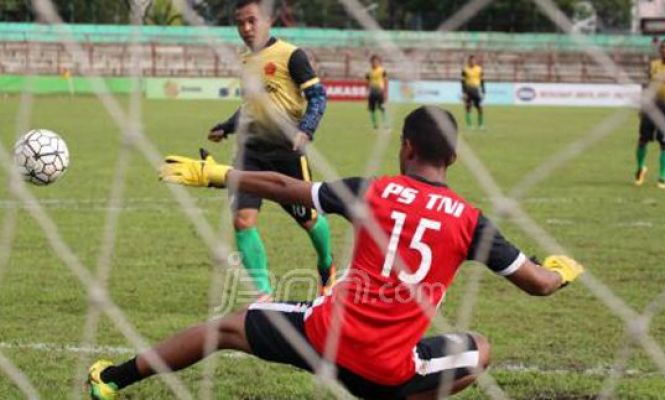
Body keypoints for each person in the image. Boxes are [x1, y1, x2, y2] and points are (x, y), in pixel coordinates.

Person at [87, 106, 584, 400]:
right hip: (390, 372)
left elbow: (286, 185)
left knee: (224, 328)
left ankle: (112, 380)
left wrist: (216, 174)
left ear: (406, 147)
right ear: (454, 157)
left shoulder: (374, 190)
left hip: (321, 340)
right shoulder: (471, 221)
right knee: (480, 346)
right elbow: (537, 284)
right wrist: (561, 271)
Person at [208, 0, 335, 299]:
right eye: (240, 23)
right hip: (250, 153)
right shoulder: (245, 61)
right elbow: (252, 109)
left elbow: (318, 96)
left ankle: (326, 265)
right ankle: (263, 297)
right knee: (243, 221)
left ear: (267, 21)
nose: (246, 28)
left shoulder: (291, 55)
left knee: (309, 219)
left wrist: (306, 129)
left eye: (252, 21)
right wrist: (227, 126)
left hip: (286, 153)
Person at [635, 41, 665, 189]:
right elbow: (644, 85)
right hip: (651, 105)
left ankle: (662, 175)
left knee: (664, 143)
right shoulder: (653, 65)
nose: (664, 51)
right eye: (663, 48)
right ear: (660, 50)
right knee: (642, 140)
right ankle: (640, 168)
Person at [461, 55, 485, 130]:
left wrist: (483, 90)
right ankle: (469, 125)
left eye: (474, 60)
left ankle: (480, 125)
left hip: (476, 89)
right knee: (468, 107)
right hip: (468, 90)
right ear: (469, 61)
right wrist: (464, 92)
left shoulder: (479, 69)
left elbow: (482, 80)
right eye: (471, 60)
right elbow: (462, 81)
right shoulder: (465, 69)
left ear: (476, 61)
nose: (472, 62)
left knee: (480, 108)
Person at [366, 54, 387, 129]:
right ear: (371, 62)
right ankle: (375, 124)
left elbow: (385, 81)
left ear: (379, 62)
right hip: (372, 92)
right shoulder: (369, 72)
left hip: (379, 91)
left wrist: (385, 92)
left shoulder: (382, 70)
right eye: (373, 61)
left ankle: (385, 124)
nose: (375, 63)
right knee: (372, 109)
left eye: (376, 61)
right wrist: (367, 91)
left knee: (382, 108)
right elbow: (367, 81)